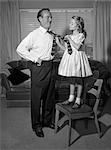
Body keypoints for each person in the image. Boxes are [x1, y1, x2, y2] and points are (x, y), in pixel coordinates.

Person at [16, 8, 56, 138]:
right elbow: (20, 49)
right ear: (39, 19)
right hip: (39, 68)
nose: (50, 19)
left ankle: (47, 121)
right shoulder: (34, 34)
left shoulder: (51, 34)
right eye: (47, 17)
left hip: (51, 66)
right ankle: (37, 125)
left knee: (49, 97)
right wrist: (34, 58)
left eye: (50, 17)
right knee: (37, 98)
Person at [56, 16, 92, 109]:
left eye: (72, 23)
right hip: (70, 59)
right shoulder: (69, 36)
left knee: (79, 80)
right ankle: (71, 98)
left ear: (78, 26)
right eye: (70, 23)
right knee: (71, 80)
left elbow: (76, 47)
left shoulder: (81, 35)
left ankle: (78, 100)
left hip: (78, 60)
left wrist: (70, 39)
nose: (69, 24)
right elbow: (67, 49)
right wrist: (59, 43)